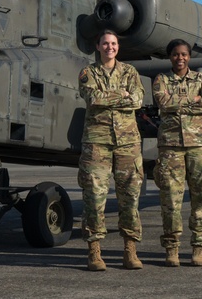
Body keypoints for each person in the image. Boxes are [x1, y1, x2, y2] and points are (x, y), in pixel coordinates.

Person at [78, 30, 146, 271]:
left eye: (114, 43)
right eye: (105, 43)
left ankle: (130, 250)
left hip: (128, 143)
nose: (110, 47)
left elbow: (137, 100)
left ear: (118, 47)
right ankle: (94, 252)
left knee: (130, 197)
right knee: (94, 197)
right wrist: (121, 94)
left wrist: (113, 96)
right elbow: (92, 98)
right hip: (97, 143)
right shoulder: (88, 72)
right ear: (97, 46)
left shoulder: (130, 72)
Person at [152, 39, 202, 267]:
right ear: (170, 57)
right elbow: (163, 102)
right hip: (171, 148)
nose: (180, 58)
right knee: (170, 200)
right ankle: (172, 248)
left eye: (184, 54)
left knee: (201, 199)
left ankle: (199, 248)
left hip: (199, 147)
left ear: (189, 56)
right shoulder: (161, 79)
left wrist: (179, 102)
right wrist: (193, 99)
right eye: (176, 55)